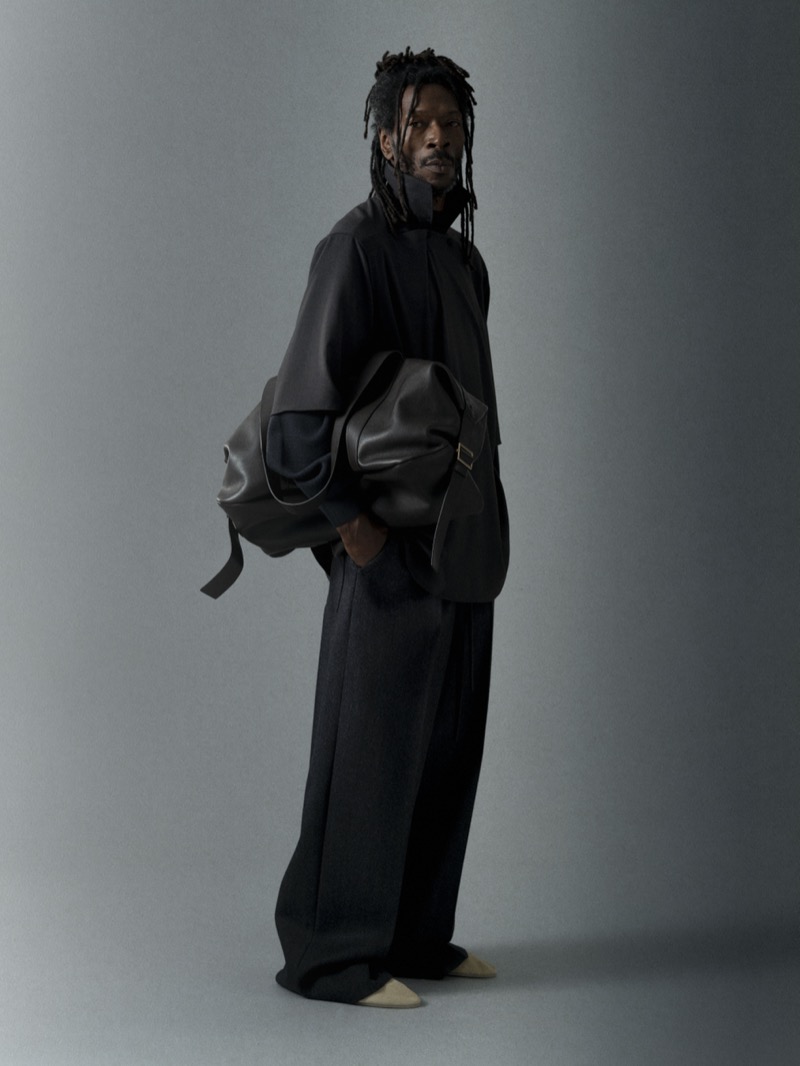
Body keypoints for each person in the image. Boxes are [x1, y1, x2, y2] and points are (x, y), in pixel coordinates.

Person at [267, 47, 510, 1009]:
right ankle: (333, 954)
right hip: (386, 550)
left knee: (447, 747)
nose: (438, 136)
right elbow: (298, 420)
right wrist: (351, 530)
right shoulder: (354, 248)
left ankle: (415, 935)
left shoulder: (464, 261)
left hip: (464, 544)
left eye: (450, 121)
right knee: (367, 753)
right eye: (418, 123)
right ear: (384, 139)